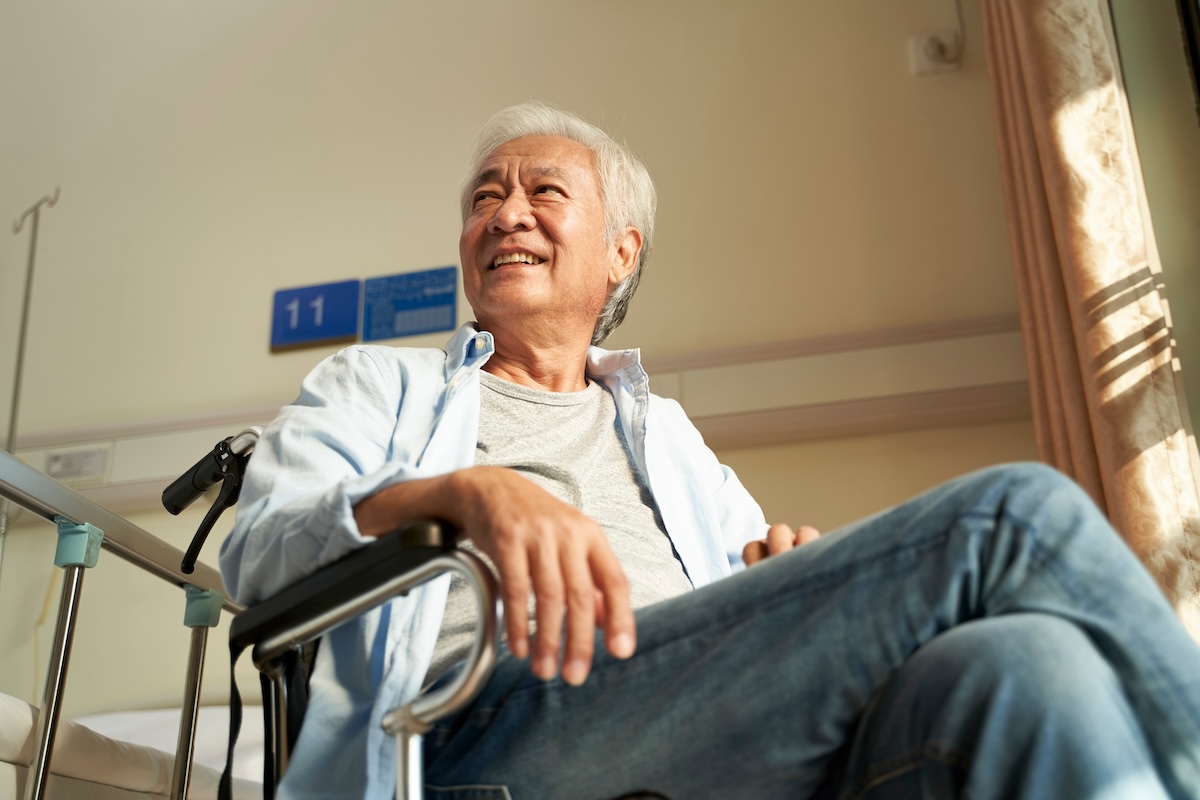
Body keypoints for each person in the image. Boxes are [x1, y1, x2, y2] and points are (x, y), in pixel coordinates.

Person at [220, 101, 1200, 800]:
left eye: (544, 190)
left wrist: (784, 573)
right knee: (1012, 516)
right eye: (485, 197)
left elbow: (742, 602)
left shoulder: (668, 434)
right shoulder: (374, 385)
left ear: (621, 252)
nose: (505, 213)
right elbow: (257, 551)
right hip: (486, 728)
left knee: (1023, 664)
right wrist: (460, 493)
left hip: (699, 728)